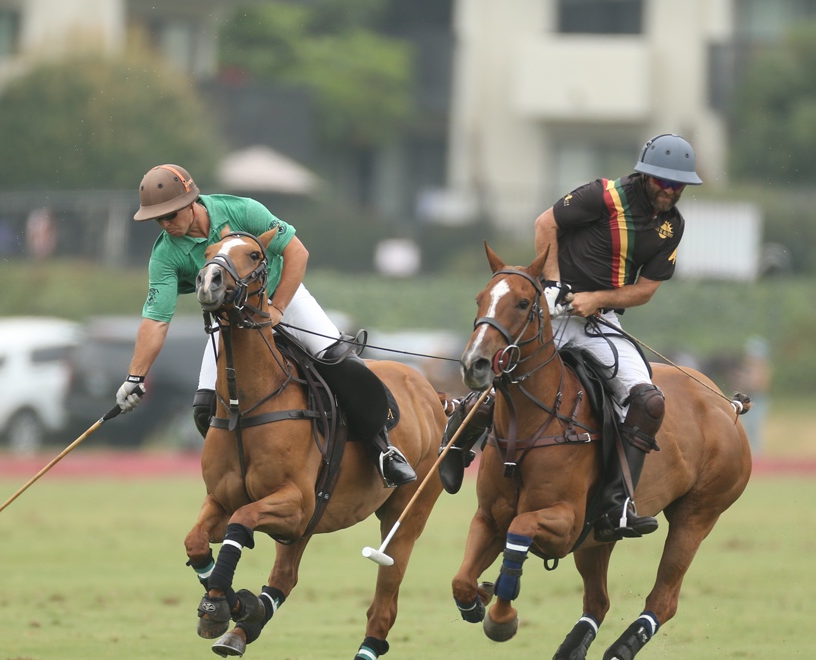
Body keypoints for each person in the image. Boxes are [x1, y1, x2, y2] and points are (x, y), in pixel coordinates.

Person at [442, 133, 703, 542]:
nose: (670, 190)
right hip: (553, 312)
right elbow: (545, 223)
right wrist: (555, 284)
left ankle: (618, 503)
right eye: (663, 181)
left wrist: (597, 299)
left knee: (648, 401)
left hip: (602, 323)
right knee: (504, 375)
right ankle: (457, 445)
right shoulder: (604, 195)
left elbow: (646, 289)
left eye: (678, 184)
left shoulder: (672, 226)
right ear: (644, 175)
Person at [114, 163, 416, 487]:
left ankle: (383, 449)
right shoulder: (165, 255)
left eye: (170, 215)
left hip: (284, 298)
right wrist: (135, 377)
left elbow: (297, 252)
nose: (165, 224)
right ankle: (235, 476)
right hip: (231, 320)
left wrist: (279, 307)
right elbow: (156, 320)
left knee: (341, 364)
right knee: (204, 407)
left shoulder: (243, 210)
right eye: (157, 219)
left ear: (191, 202)